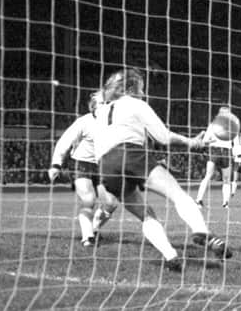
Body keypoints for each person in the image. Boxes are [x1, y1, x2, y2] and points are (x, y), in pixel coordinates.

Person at [94, 68, 232, 271]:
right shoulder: (136, 104)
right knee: (177, 194)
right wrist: (191, 142)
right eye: (141, 85)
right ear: (131, 87)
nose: (143, 89)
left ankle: (171, 257)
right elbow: (163, 137)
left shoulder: (102, 111)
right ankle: (202, 232)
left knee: (146, 215)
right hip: (131, 154)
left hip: (105, 166)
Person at [48, 91, 118, 247]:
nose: (106, 106)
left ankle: (94, 229)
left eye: (108, 103)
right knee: (88, 200)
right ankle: (87, 238)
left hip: (104, 166)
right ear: (93, 107)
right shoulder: (83, 122)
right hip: (82, 164)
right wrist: (56, 164)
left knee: (111, 203)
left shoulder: (115, 123)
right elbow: (64, 141)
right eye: (102, 103)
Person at [194, 106, 234, 208]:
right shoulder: (212, 126)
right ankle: (199, 200)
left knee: (226, 178)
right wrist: (213, 140)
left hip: (226, 152)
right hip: (215, 150)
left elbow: (234, 142)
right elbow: (204, 141)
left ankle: (225, 203)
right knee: (208, 175)